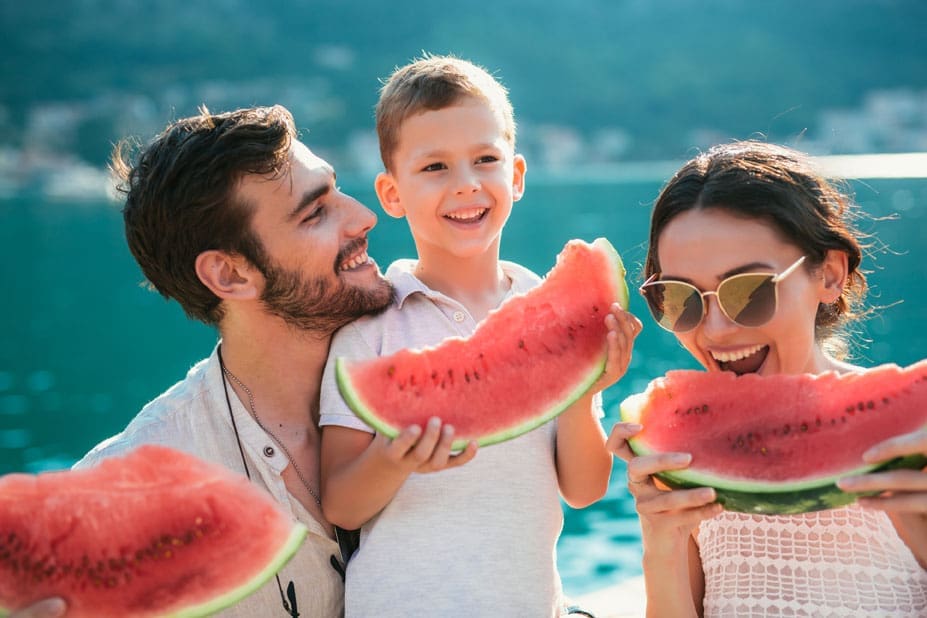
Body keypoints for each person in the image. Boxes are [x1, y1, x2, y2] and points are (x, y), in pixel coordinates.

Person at [318, 55, 642, 617]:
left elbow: (585, 489)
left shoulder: (550, 313)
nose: (466, 185)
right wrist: (396, 458)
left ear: (515, 176)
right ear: (392, 195)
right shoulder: (367, 331)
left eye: (485, 160)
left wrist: (582, 388)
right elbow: (341, 504)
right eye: (435, 168)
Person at [66, 105, 395, 616]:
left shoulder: (426, 360)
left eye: (337, 190)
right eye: (316, 213)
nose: (364, 216)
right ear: (230, 275)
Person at [608, 140, 927, 616]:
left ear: (830, 275)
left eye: (749, 291)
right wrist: (661, 540)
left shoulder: (916, 435)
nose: (715, 330)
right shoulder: (682, 458)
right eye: (681, 299)